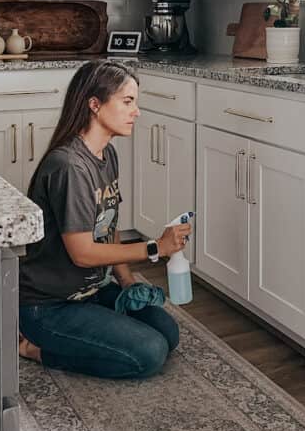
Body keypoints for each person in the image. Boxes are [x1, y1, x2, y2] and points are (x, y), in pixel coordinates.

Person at [17, 60, 192, 379]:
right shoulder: (69, 166)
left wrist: (126, 281)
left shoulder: (106, 154)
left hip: (93, 290)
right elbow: (82, 253)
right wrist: (155, 248)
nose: (136, 112)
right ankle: (34, 347)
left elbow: (108, 226)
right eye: (128, 101)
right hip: (51, 305)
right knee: (149, 354)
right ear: (94, 104)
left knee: (168, 333)